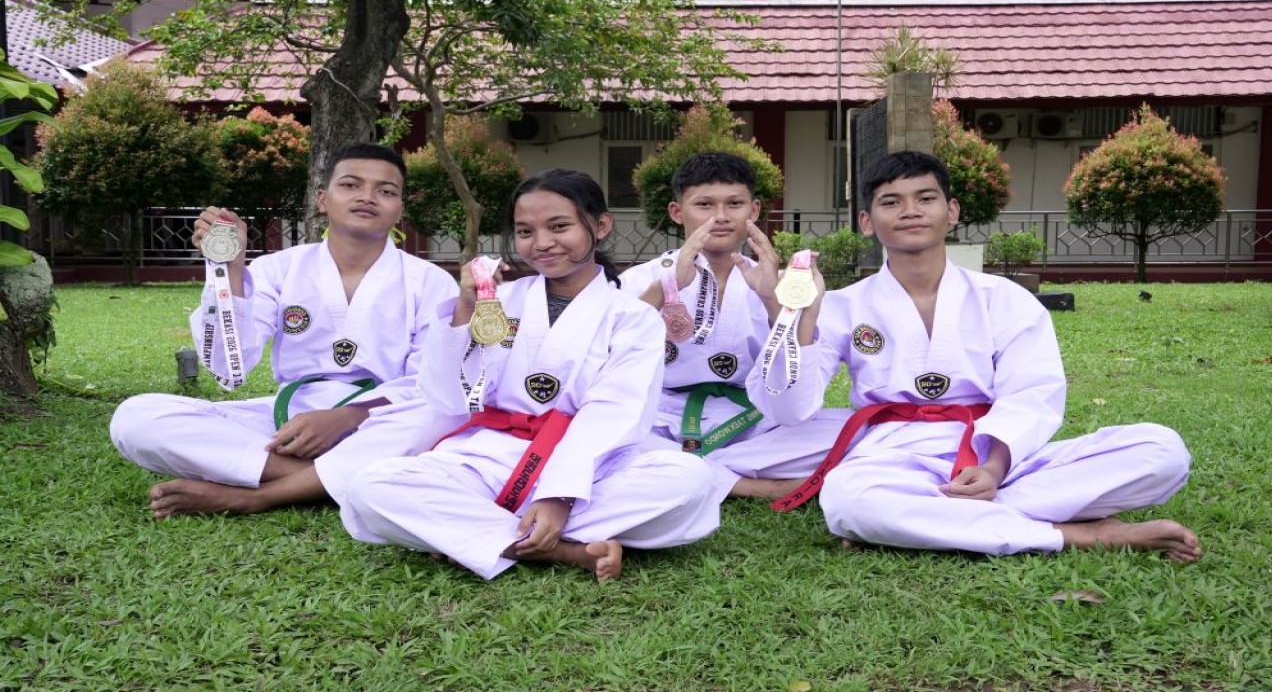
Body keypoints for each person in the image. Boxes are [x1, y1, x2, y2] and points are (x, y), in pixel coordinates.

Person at [752, 150, 1201, 562]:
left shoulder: (1004, 299)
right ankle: (1078, 533)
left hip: (999, 452)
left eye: (925, 197)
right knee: (852, 502)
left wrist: (992, 467)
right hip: (892, 454)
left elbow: (1032, 393)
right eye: (891, 202)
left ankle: (928, 520)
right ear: (867, 222)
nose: (910, 210)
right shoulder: (844, 305)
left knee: (1161, 450)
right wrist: (795, 320)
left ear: (952, 212)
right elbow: (789, 409)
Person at [342, 169, 720, 581]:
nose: (541, 244)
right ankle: (559, 550)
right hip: (491, 456)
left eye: (559, 226)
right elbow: (448, 395)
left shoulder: (631, 316)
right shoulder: (498, 302)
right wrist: (465, 309)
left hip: (592, 466)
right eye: (525, 231)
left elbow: (613, 410)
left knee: (691, 481)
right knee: (370, 487)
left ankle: (474, 534)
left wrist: (560, 494)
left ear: (601, 226)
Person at [110, 143, 464, 518]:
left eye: (386, 191)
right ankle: (327, 481)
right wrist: (230, 270)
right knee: (137, 418)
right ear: (323, 199)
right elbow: (229, 367)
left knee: (445, 414)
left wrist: (350, 416)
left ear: (399, 209)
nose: (367, 197)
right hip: (288, 422)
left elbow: (430, 382)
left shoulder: (431, 282)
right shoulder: (278, 269)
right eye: (351, 185)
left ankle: (262, 492)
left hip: (382, 422)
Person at [620, 152, 847, 501]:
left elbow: (793, 399)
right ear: (677, 212)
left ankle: (692, 470)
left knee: (852, 430)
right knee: (610, 432)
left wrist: (774, 301)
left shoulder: (786, 281)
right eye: (705, 204)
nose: (721, 217)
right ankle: (748, 485)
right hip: (663, 418)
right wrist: (666, 289)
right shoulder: (644, 278)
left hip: (752, 421)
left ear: (753, 211)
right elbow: (606, 353)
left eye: (734, 204)